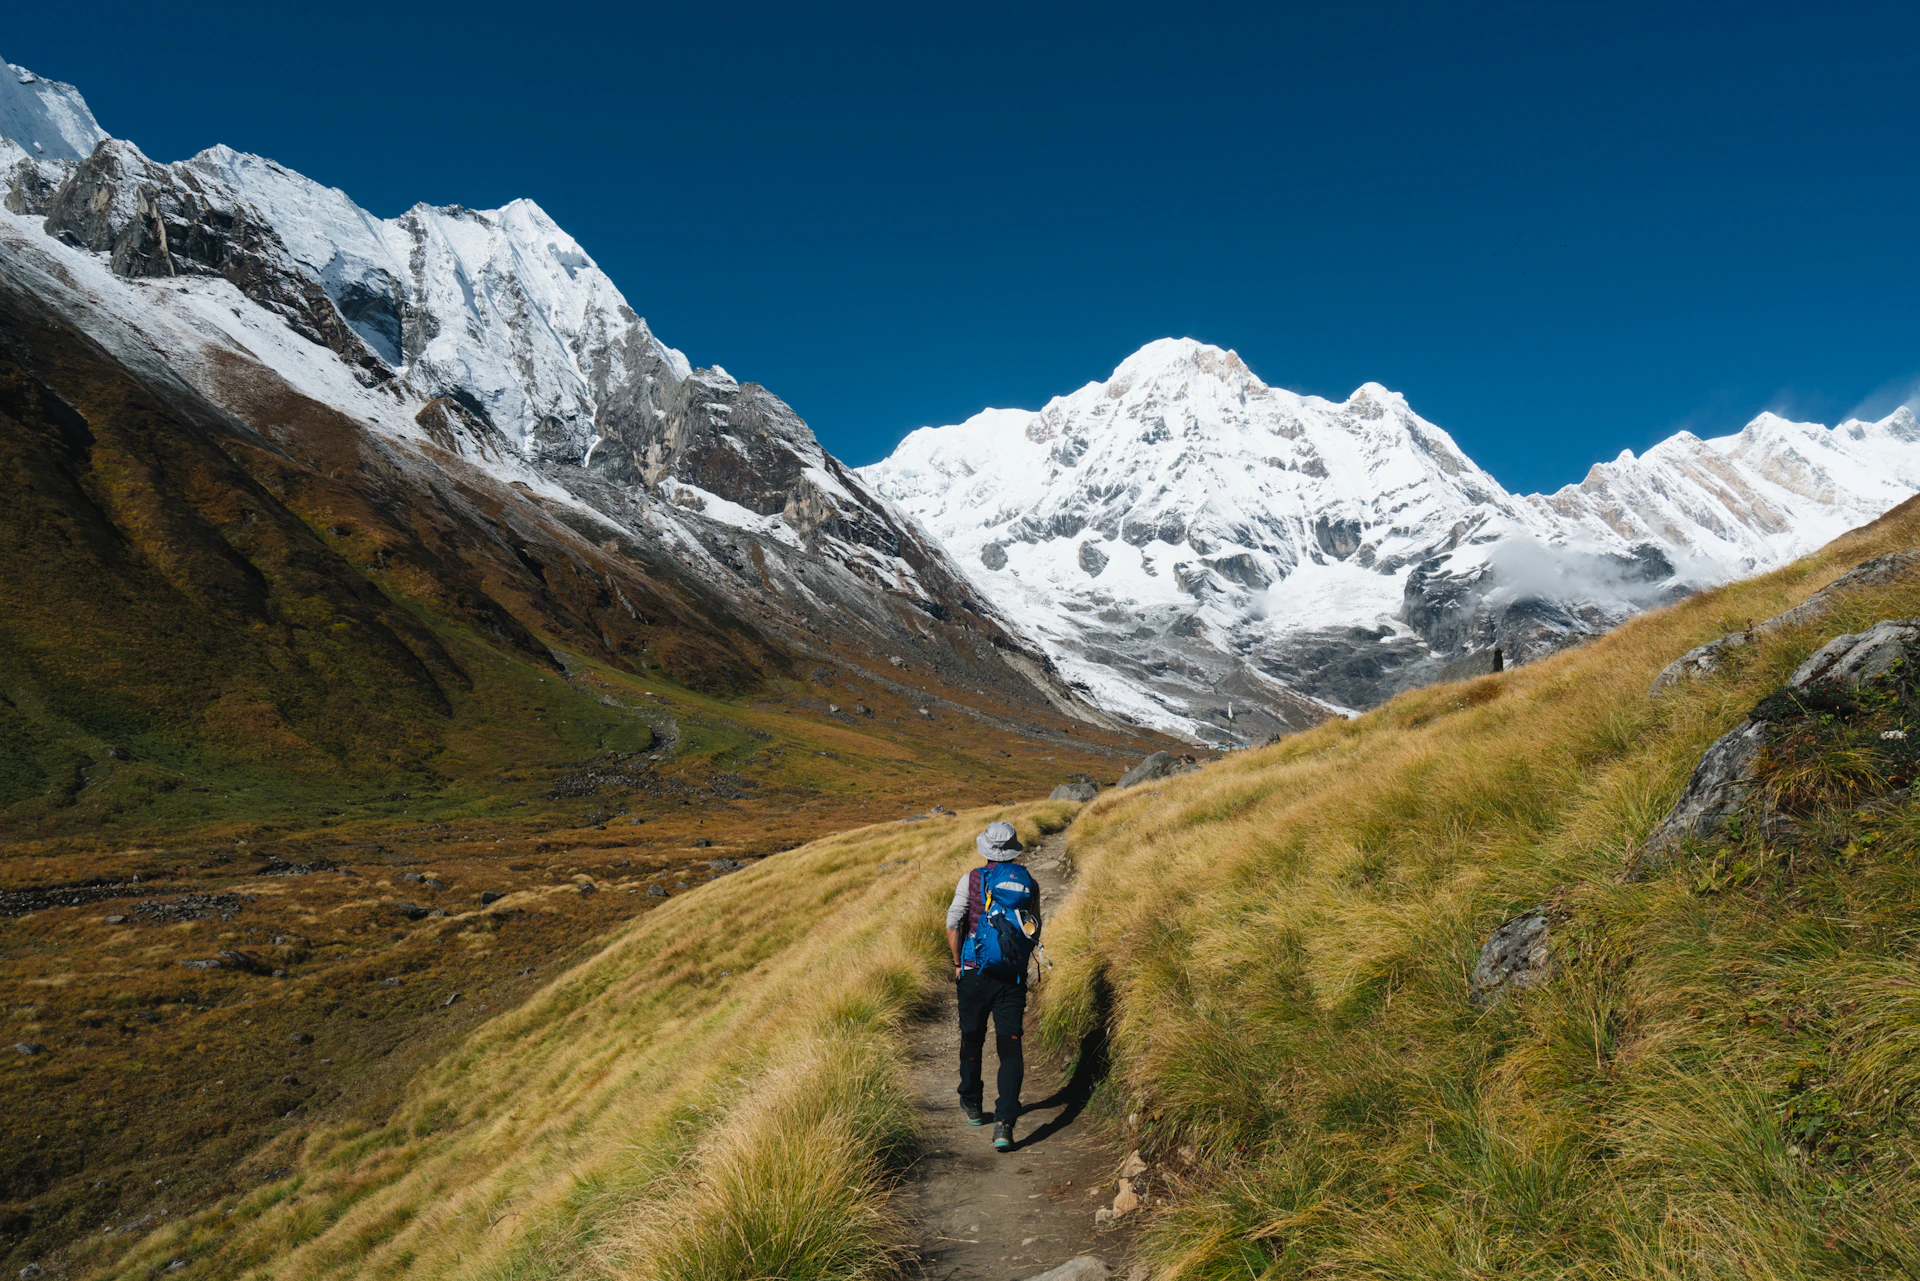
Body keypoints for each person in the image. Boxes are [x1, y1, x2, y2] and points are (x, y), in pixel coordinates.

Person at [946, 820, 1041, 1152]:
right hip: (1012, 978)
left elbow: (953, 921)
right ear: (1013, 849)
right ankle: (1004, 1124)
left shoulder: (972, 879)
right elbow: (1034, 929)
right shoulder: (1028, 883)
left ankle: (972, 1103)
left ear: (986, 849)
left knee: (972, 1038)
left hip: (974, 973)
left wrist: (959, 963)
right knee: (1010, 1048)